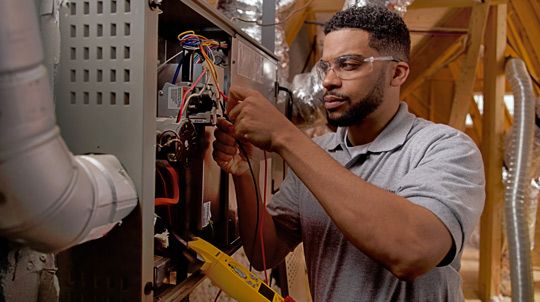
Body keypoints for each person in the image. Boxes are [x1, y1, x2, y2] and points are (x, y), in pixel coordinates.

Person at [212, 5, 485, 301]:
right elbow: (265, 253)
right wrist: (245, 174)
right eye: (326, 67)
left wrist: (284, 135)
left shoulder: (445, 148)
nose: (328, 81)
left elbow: (412, 252)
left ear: (397, 73)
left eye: (349, 65)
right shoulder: (317, 153)